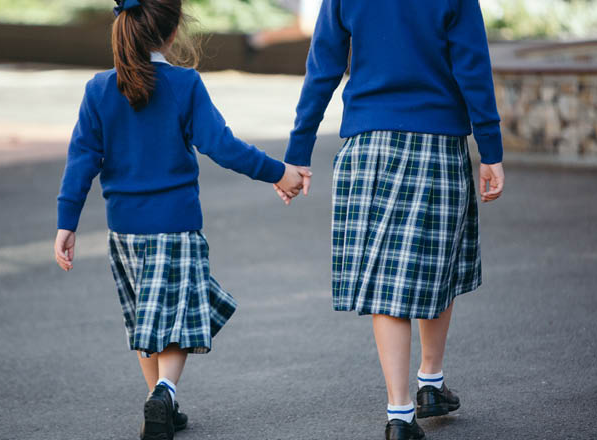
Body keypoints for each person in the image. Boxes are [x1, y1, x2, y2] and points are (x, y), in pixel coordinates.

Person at [53, 1, 308, 439]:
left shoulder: (98, 89)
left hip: (124, 231)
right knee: (176, 319)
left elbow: (81, 161)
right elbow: (223, 146)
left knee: (143, 321)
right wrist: (280, 171)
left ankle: (161, 403)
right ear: (172, 34)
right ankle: (166, 391)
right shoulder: (184, 84)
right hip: (175, 226)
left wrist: (66, 222)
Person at [274, 0, 505, 439]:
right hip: (437, 141)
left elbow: (323, 64)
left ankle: (400, 415)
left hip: (366, 144)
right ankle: (430, 380)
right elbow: (472, 64)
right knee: (439, 265)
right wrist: (490, 150)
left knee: (386, 280)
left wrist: (298, 151)